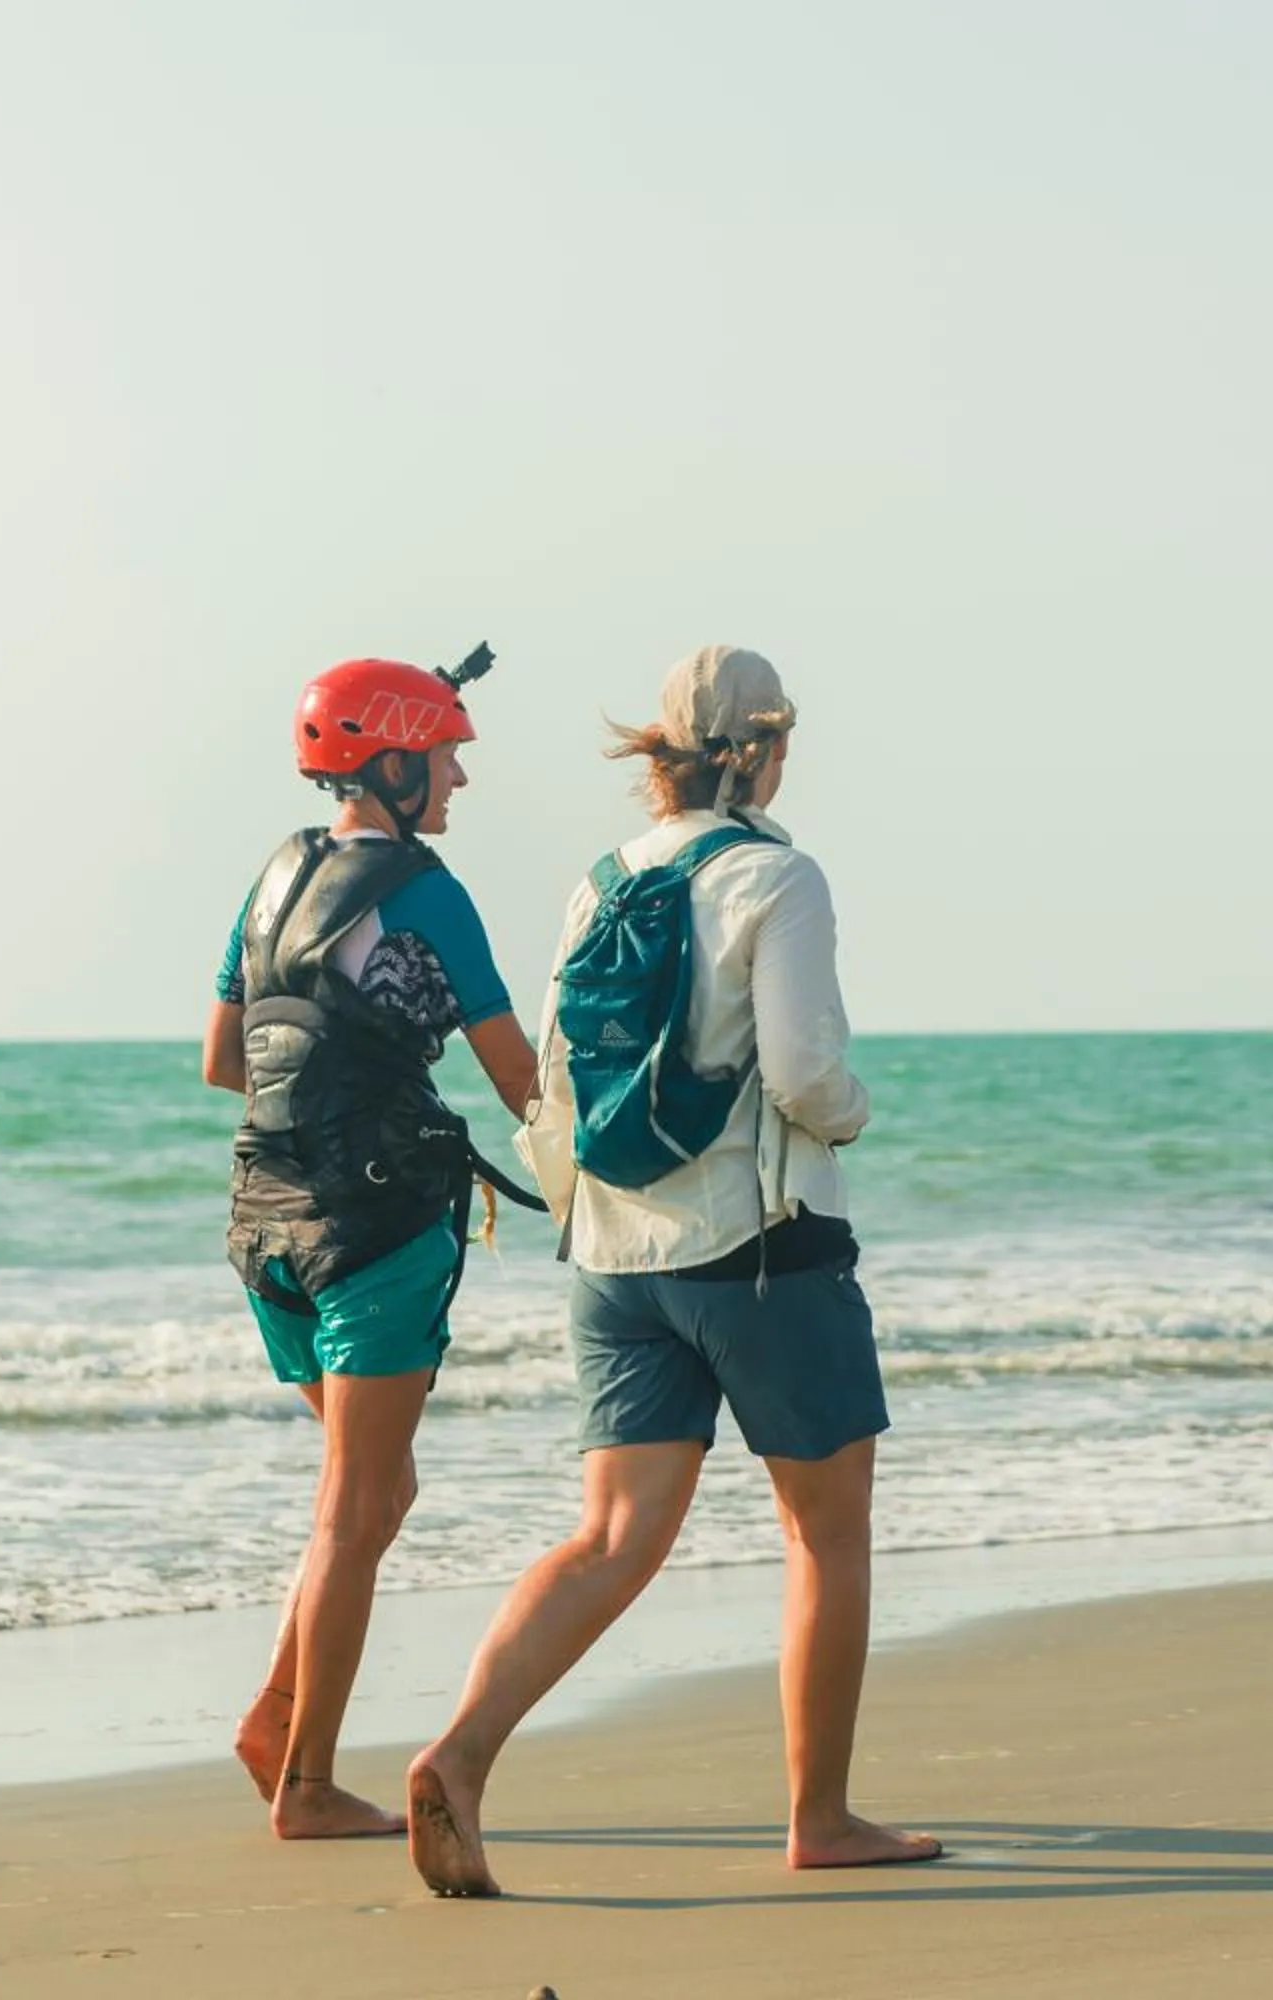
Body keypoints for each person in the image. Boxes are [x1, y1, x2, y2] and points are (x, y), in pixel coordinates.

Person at [404, 644, 940, 1896]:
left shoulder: (600, 884)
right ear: (762, 747)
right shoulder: (777, 876)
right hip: (761, 1250)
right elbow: (806, 1074)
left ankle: (464, 1750)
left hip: (612, 1257)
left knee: (611, 1535)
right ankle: (822, 1815)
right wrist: (854, 1114)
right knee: (827, 1535)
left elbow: (552, 1077)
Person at [203, 654, 539, 1840]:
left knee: (378, 1486)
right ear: (391, 760)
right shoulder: (428, 890)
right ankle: (304, 1783)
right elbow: (516, 1076)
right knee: (354, 1508)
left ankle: (274, 1716)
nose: (456, 777)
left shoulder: (270, 877)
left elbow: (223, 1060)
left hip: (263, 1231)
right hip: (375, 1234)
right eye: (444, 755)